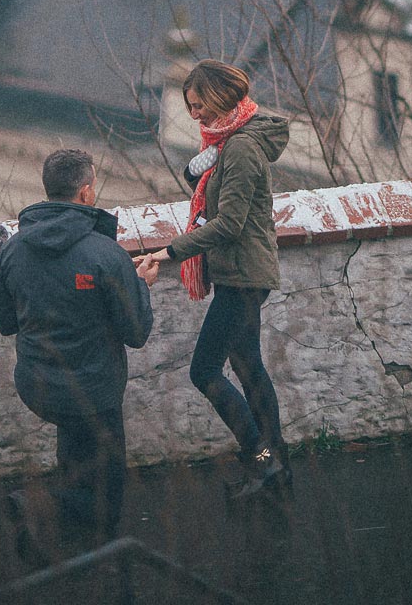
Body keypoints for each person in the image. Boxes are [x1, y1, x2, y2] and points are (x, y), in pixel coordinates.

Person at [134, 60, 292, 497]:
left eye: (199, 105)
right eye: (189, 107)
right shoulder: (227, 146)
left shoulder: (240, 148)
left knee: (204, 371)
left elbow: (229, 224)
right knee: (248, 368)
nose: (195, 115)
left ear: (220, 97)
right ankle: (275, 466)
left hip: (243, 278)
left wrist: (169, 252)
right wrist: (198, 172)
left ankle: (261, 457)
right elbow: (219, 202)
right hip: (239, 275)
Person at [0, 148, 154, 555]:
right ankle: (42, 509)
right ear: (85, 193)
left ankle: (58, 547)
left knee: (77, 447)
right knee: (108, 485)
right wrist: (141, 285)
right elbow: (136, 332)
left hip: (37, 387)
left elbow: (5, 323)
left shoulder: (12, 250)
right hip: (94, 391)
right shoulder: (106, 255)